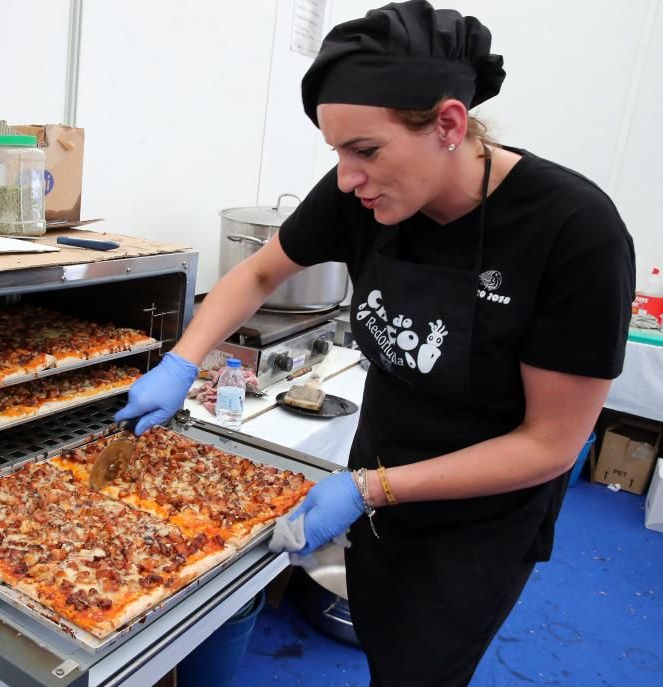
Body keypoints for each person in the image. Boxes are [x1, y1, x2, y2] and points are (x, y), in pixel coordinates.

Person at [114, 1, 636, 685]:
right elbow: (262, 269)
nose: (347, 177)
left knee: (418, 669)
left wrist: (372, 488)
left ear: (449, 123)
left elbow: (551, 444)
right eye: (336, 152)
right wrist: (182, 360)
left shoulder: (573, 233)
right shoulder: (358, 194)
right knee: (381, 633)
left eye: (365, 151)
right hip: (374, 475)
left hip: (475, 523)